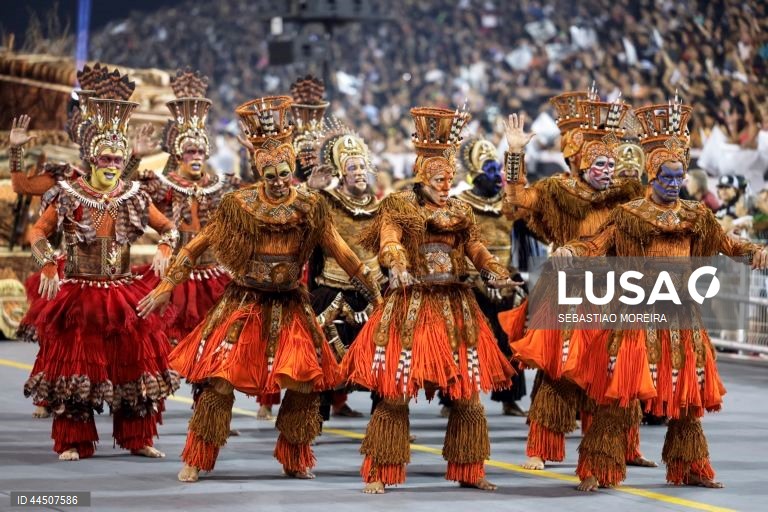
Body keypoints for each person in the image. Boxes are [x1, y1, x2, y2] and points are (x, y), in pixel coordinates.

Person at [137, 95, 382, 483]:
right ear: (259, 173)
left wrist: (373, 288)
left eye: (285, 173)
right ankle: (198, 457)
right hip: (245, 302)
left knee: (304, 383)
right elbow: (197, 245)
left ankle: (295, 457)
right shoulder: (240, 205)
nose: (281, 182)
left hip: (290, 305)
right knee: (219, 382)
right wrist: (168, 284)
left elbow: (342, 252)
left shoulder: (309, 206)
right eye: (272, 176)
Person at [554, 97, 768, 491]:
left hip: (680, 317)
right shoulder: (631, 215)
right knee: (619, 400)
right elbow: (599, 244)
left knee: (687, 402)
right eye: (666, 177)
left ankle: (689, 467)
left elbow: (726, 242)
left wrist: (755, 251)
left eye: (679, 177)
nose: (673, 184)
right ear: (652, 177)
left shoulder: (694, 215)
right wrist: (572, 250)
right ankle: (597, 469)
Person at [342, 105, 520, 494]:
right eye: (437, 178)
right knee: (395, 393)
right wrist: (396, 263)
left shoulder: (459, 209)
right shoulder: (399, 206)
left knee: (468, 395)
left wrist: (495, 270)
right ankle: (381, 471)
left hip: (455, 307)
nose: (444, 184)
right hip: (412, 306)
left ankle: (470, 468)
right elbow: (389, 240)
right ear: (422, 175)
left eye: (448, 178)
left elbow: (475, 247)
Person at [21, 80, 181, 461]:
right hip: (80, 293)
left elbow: (170, 228)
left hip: (123, 290)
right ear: (92, 159)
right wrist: (47, 264)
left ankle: (137, 438)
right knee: (78, 366)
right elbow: (37, 231)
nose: (111, 165)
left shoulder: (134, 196)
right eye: (105, 158)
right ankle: (74, 441)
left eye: (117, 159)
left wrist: (163, 247)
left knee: (134, 363)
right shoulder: (68, 193)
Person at [502, 92, 647, 471]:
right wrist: (514, 153)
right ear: (581, 163)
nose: (607, 170)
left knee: (614, 368)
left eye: (611, 163)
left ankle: (624, 445)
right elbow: (516, 200)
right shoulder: (556, 191)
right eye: (600, 163)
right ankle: (540, 447)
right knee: (560, 370)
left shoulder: (625, 196)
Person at [137, 68, 238, 345]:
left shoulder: (221, 184)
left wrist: (256, 159)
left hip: (214, 277)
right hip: (178, 278)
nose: (196, 156)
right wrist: (134, 159)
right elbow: (125, 196)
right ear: (180, 155)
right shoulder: (163, 184)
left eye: (200, 152)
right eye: (190, 152)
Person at [309, 119, 386, 419]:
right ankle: (313, 420)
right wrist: (309, 191)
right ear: (341, 173)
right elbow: (302, 226)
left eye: (361, 167)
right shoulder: (325, 201)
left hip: (375, 291)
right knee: (322, 357)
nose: (358, 173)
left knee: (384, 356)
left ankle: (385, 420)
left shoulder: (382, 206)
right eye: (351, 168)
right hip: (333, 288)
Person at [456, 136, 528, 416]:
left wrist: (515, 154)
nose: (497, 176)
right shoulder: (460, 204)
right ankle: (457, 398)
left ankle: (509, 398)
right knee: (467, 341)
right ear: (475, 175)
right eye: (490, 170)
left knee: (509, 340)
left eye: (498, 169)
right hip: (472, 282)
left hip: (506, 280)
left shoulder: (509, 203)